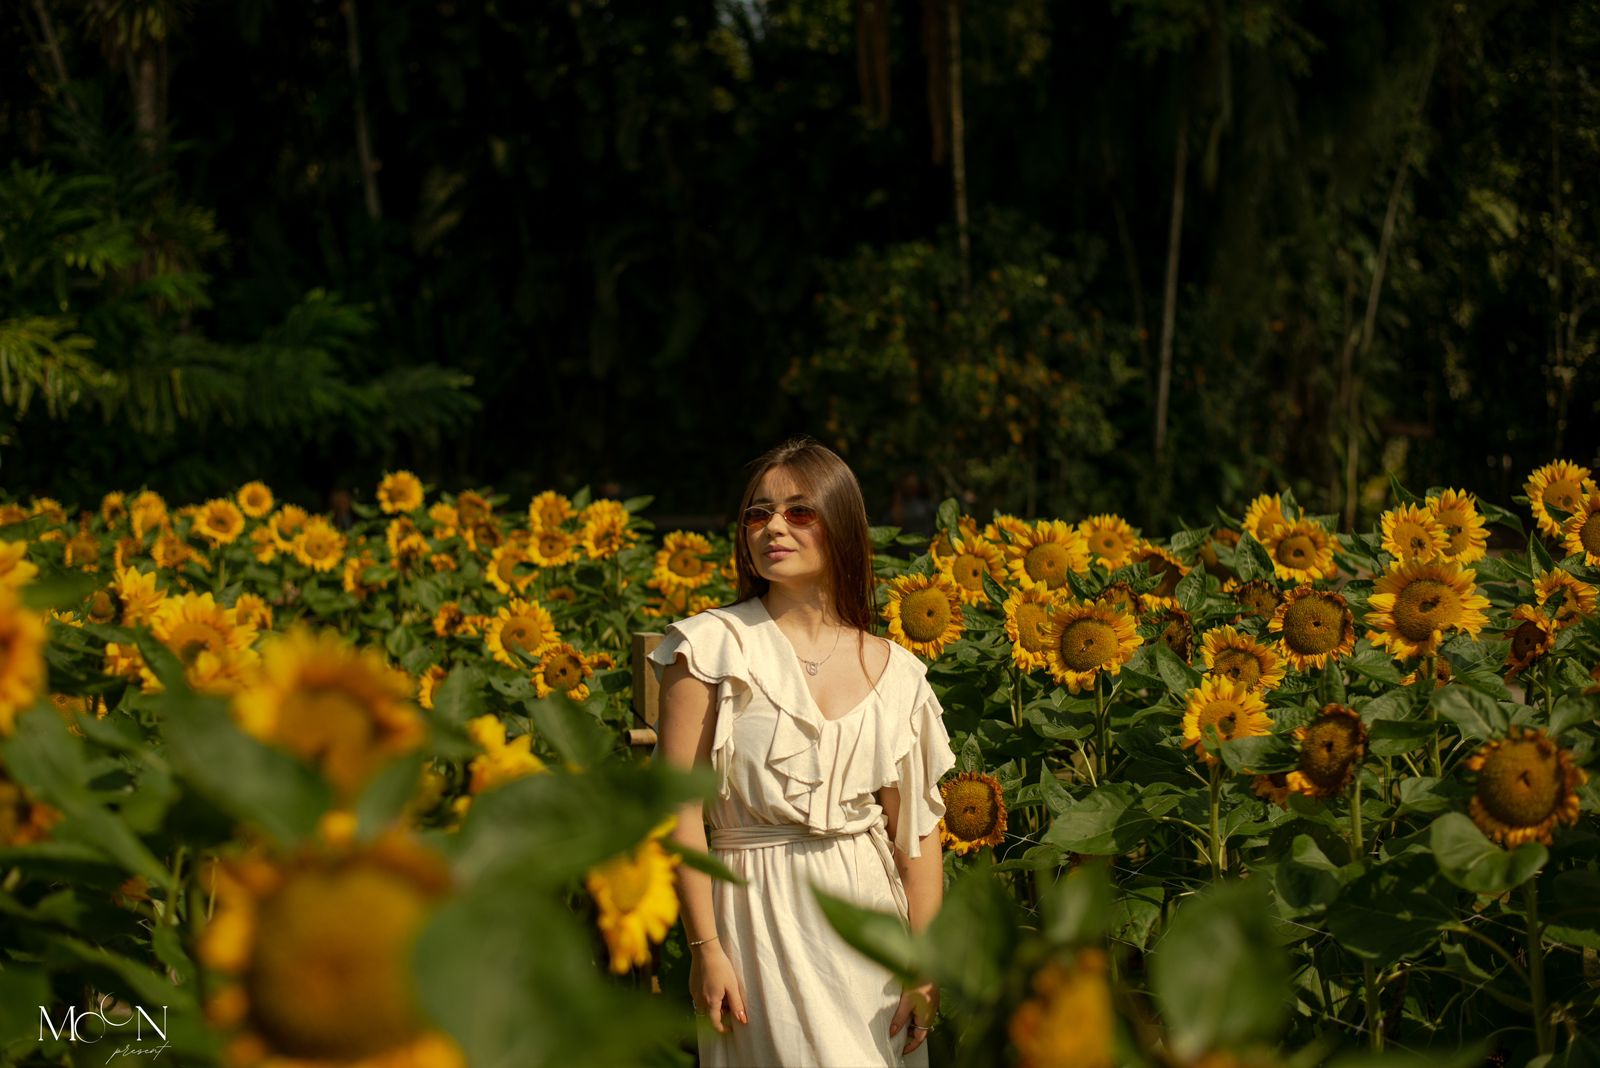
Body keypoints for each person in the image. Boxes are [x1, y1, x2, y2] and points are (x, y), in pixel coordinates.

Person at [647, 436, 958, 1067]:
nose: (772, 528)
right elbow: (675, 811)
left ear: (840, 523)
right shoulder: (708, 650)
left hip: (870, 926)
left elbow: (917, 839)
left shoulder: (898, 672)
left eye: (799, 512)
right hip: (756, 920)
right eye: (757, 514)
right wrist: (706, 947)